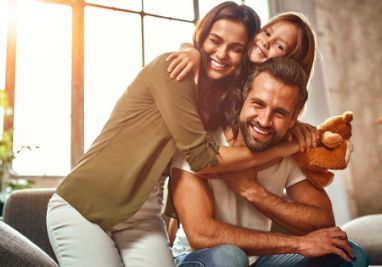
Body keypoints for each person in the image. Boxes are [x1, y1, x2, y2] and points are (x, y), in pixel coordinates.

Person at [46, 2, 306, 267]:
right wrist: (284, 149)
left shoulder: (224, 97)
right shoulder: (173, 71)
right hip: (85, 206)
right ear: (201, 36)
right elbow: (202, 159)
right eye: (214, 41)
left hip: (142, 218)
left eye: (236, 48)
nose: (222, 53)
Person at [170, 57, 368, 267]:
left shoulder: (288, 150)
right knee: (231, 258)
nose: (264, 121)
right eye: (258, 104)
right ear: (243, 99)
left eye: (280, 113)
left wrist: (252, 190)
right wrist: (298, 244)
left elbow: (323, 222)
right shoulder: (199, 144)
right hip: (199, 258)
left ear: (294, 119)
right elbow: (202, 235)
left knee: (349, 255)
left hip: (259, 260)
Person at [166, 11, 320, 242]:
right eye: (267, 32)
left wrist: (293, 128)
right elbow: (201, 161)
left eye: (278, 45)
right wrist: (190, 51)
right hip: (188, 164)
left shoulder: (271, 118)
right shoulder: (225, 68)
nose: (266, 41)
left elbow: (322, 218)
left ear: (289, 63)